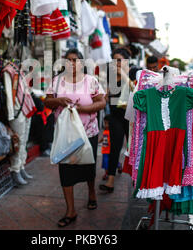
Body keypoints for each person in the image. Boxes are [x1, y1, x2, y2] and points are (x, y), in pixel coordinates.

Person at [44, 49, 106, 228]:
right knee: (66, 170)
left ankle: (91, 193)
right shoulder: (57, 82)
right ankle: (70, 210)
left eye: (75, 60)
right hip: (66, 135)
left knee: (88, 166)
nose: (72, 63)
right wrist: (59, 101)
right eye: (68, 60)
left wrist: (84, 109)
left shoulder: (91, 81)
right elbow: (46, 102)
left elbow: (101, 101)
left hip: (88, 133)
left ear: (81, 63)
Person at [99, 47, 132, 193]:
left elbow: (136, 90)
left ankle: (137, 180)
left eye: (119, 60)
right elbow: (106, 96)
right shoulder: (110, 76)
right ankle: (110, 181)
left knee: (134, 148)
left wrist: (124, 76)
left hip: (130, 117)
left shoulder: (133, 73)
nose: (116, 63)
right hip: (115, 116)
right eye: (114, 61)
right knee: (114, 148)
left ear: (126, 61)